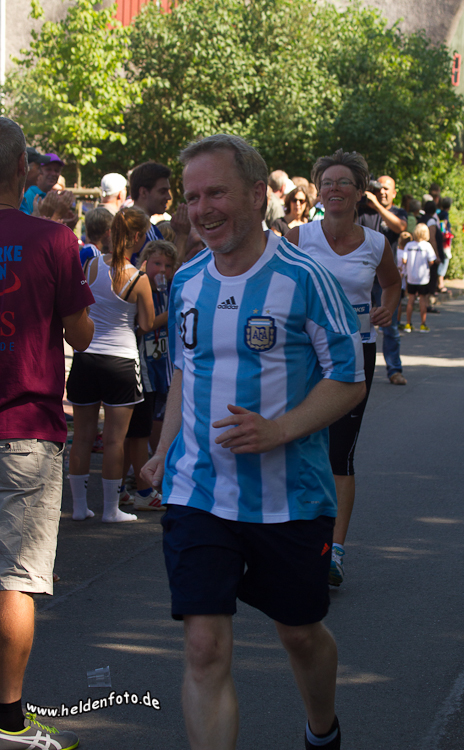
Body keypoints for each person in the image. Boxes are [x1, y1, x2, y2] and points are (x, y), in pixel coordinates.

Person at [141, 134, 366, 750]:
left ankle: (322, 731)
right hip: (198, 490)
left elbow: (348, 379)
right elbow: (185, 373)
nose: (201, 209)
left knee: (300, 633)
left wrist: (280, 429)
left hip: (288, 498)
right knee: (203, 645)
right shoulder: (187, 281)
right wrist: (163, 449)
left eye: (215, 193)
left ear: (256, 193)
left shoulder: (305, 279)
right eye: (192, 197)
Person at [0, 116, 94, 749]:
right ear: (23, 168)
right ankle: (8, 722)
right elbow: (81, 335)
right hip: (26, 429)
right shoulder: (55, 240)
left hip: (25, 430)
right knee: (15, 578)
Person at [287, 149, 401, 587]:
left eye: (343, 183)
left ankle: (333, 551)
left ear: (359, 192)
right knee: (296, 441)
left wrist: (387, 308)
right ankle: (294, 539)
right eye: (327, 183)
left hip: (356, 352)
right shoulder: (297, 238)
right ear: (319, 192)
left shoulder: (375, 243)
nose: (334, 189)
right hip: (303, 355)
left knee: (340, 453)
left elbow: (391, 284)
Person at [66, 207, 155, 523]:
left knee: (83, 436)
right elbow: (146, 324)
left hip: (86, 357)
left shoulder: (90, 265)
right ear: (137, 236)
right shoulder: (138, 278)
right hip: (120, 362)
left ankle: (79, 508)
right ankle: (111, 510)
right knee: (115, 440)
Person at [120, 240, 177, 511]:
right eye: (157, 264)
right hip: (142, 370)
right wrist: (169, 315)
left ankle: (122, 485)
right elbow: (144, 326)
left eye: (168, 265)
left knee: (142, 430)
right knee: (137, 433)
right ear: (145, 263)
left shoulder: (169, 292)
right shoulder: (141, 289)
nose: (162, 270)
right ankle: (143, 489)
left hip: (161, 369)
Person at [358, 174, 408, 385]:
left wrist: (377, 206)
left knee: (390, 326)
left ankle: (394, 370)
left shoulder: (396, 212)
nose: (383, 192)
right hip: (363, 277)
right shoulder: (362, 211)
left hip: (386, 279)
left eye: (387, 189)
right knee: (359, 325)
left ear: (394, 193)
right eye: (380, 188)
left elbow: (400, 227)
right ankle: (358, 370)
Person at [129, 161, 173, 264]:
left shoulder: (151, 229)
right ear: (143, 192)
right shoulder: (133, 229)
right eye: (162, 191)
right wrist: (182, 237)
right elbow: (164, 270)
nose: (168, 197)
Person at [403, 223, 437, 332]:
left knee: (410, 300)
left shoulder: (409, 245)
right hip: (423, 278)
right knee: (423, 301)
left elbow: (404, 260)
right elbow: (432, 261)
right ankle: (423, 324)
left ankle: (408, 324)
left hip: (411, 277)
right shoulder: (427, 246)